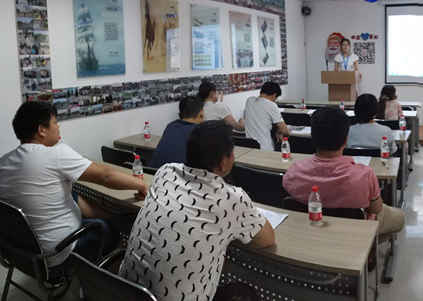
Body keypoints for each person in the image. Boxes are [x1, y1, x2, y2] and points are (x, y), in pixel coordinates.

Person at [119, 121, 275, 300]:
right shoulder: (232, 198)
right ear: (224, 162)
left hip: (122, 292)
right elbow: (267, 239)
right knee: (244, 292)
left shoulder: (165, 172)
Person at [0, 101, 148, 266]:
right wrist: (142, 185)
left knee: (70, 193)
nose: (58, 127)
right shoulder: (55, 154)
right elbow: (106, 176)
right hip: (60, 252)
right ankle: (112, 274)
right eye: (55, 122)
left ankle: (114, 217)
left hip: (21, 252)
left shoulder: (4, 162)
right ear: (42, 130)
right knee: (110, 230)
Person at [282, 107, 405, 236]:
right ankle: (370, 246)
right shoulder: (365, 175)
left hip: (310, 228)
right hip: (354, 230)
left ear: (312, 137)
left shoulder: (294, 171)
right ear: (346, 140)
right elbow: (376, 208)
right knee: (399, 218)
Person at [149, 96, 204, 169]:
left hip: (153, 173)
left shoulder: (170, 126)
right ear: (201, 114)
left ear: (179, 115)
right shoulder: (200, 132)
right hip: (177, 175)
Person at [243, 82, 289, 151]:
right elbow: (285, 131)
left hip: (249, 147)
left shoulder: (249, 101)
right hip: (265, 149)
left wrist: (276, 130)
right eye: (276, 98)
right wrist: (278, 131)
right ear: (274, 95)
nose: (275, 101)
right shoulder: (271, 105)